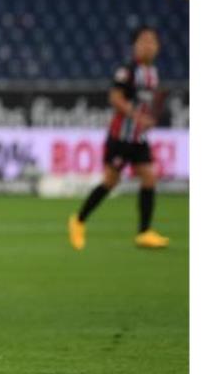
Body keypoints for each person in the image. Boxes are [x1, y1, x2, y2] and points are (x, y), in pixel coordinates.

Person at [68, 25, 169, 250]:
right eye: (144, 41)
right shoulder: (127, 71)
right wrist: (136, 116)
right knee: (110, 182)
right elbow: (115, 98)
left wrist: (149, 119)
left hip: (138, 138)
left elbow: (148, 103)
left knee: (149, 177)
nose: (149, 46)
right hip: (120, 137)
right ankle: (79, 219)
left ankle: (144, 232)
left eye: (152, 41)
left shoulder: (153, 74)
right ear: (135, 46)